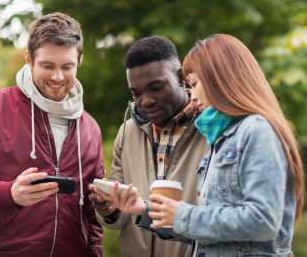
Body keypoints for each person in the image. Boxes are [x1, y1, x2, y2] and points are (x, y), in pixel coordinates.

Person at [100, 33, 305, 256]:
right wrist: (145, 210)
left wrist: (181, 215)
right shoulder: (222, 139)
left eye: (195, 83)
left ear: (220, 78)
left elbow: (263, 220)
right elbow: (209, 233)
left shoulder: (257, 131)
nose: (193, 95)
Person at [0, 12, 104, 256]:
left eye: (67, 67)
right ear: (29, 59)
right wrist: (8, 194)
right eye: (47, 66)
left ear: (80, 61)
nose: (57, 77)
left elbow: (91, 218)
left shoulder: (90, 128)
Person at [89, 36, 209, 257]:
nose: (146, 101)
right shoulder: (127, 132)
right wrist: (109, 210)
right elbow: (119, 220)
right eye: (136, 93)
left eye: (156, 88)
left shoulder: (211, 128)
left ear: (181, 77)